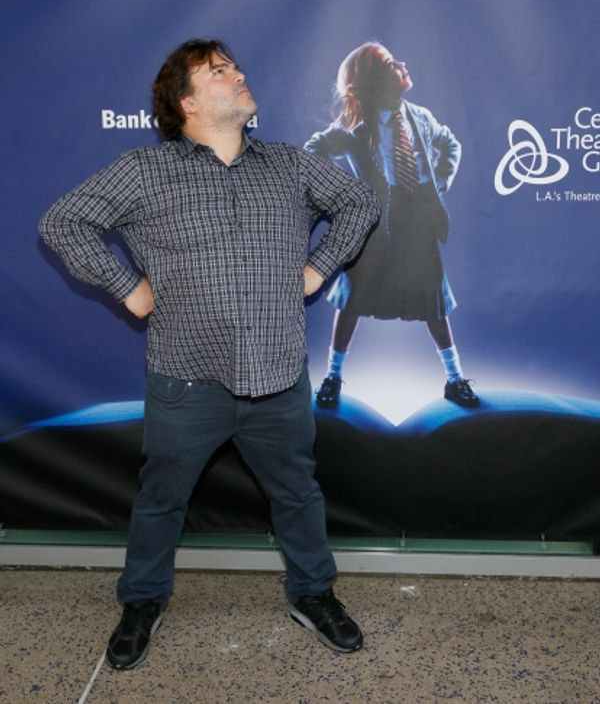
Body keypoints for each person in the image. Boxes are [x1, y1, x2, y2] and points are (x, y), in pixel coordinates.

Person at [39, 38, 380, 669]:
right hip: (187, 379)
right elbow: (63, 221)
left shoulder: (290, 164)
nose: (239, 74)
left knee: (297, 493)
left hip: (278, 376)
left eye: (236, 66)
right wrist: (129, 289)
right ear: (187, 102)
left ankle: (313, 593)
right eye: (219, 71)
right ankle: (142, 600)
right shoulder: (143, 170)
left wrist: (318, 268)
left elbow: (359, 203)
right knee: (161, 497)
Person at [304, 41, 479, 410]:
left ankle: (454, 378)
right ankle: (333, 377)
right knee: (352, 298)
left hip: (417, 218)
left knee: (433, 300)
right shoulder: (356, 130)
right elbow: (314, 151)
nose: (401, 65)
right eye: (389, 64)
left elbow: (451, 147)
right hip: (376, 221)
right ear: (373, 81)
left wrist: (437, 185)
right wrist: (344, 195)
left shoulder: (421, 117)